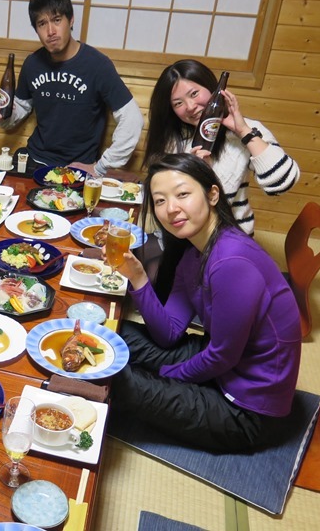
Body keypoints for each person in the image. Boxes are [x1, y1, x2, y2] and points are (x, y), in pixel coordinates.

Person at [110, 153, 301, 452]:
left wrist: (163, 376)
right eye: (160, 201)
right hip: (225, 367)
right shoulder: (191, 253)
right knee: (110, 335)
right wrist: (138, 279)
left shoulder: (231, 261)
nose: (171, 209)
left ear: (213, 194)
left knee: (120, 382)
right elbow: (169, 333)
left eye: (183, 194)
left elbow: (222, 356)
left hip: (248, 410)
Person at [0, 0, 143, 177]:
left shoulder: (97, 65)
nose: (51, 31)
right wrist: (1, 118)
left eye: (56, 20)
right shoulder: (32, 63)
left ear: (71, 21)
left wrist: (100, 167)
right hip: (34, 159)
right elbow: (19, 109)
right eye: (42, 24)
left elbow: (132, 119)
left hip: (75, 168)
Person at [144, 59, 299, 235]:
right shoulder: (172, 137)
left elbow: (282, 183)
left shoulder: (247, 129)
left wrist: (243, 131)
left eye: (194, 94)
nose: (190, 106)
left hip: (229, 237)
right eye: (178, 103)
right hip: (181, 236)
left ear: (213, 89)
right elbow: (160, 198)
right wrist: (191, 171)